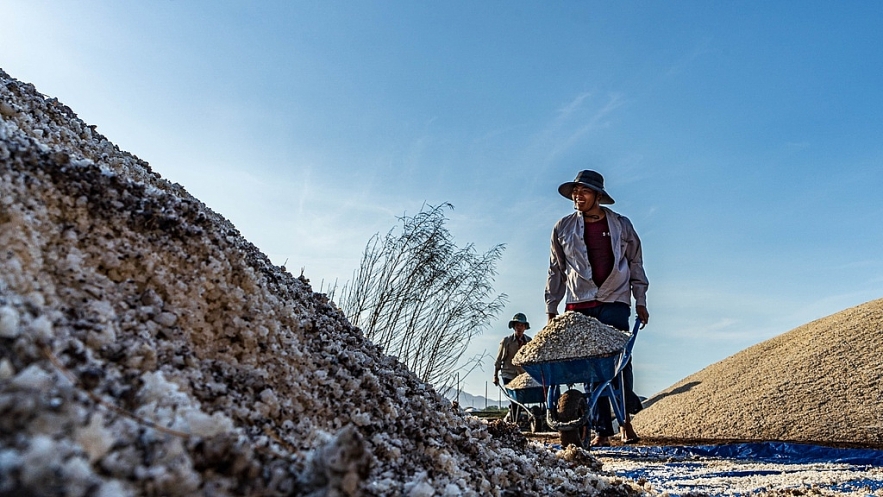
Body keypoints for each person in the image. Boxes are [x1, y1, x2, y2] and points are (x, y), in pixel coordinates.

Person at [545, 169, 649, 447]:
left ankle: (625, 419)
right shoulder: (563, 227)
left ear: (598, 196)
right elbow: (556, 269)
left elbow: (635, 262)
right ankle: (602, 429)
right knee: (589, 367)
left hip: (615, 299)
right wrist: (551, 307)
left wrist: (641, 300)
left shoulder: (621, 225)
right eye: (575, 191)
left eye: (584, 191)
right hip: (578, 302)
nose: (578, 196)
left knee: (617, 361)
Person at [493, 313, 532, 424]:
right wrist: (495, 375)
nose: (519, 328)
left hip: (522, 375)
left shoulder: (529, 342)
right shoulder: (507, 341)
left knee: (520, 400)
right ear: (514, 327)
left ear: (525, 327)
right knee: (514, 399)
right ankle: (515, 422)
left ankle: (515, 419)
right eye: (517, 325)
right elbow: (499, 359)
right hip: (508, 373)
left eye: (522, 325)